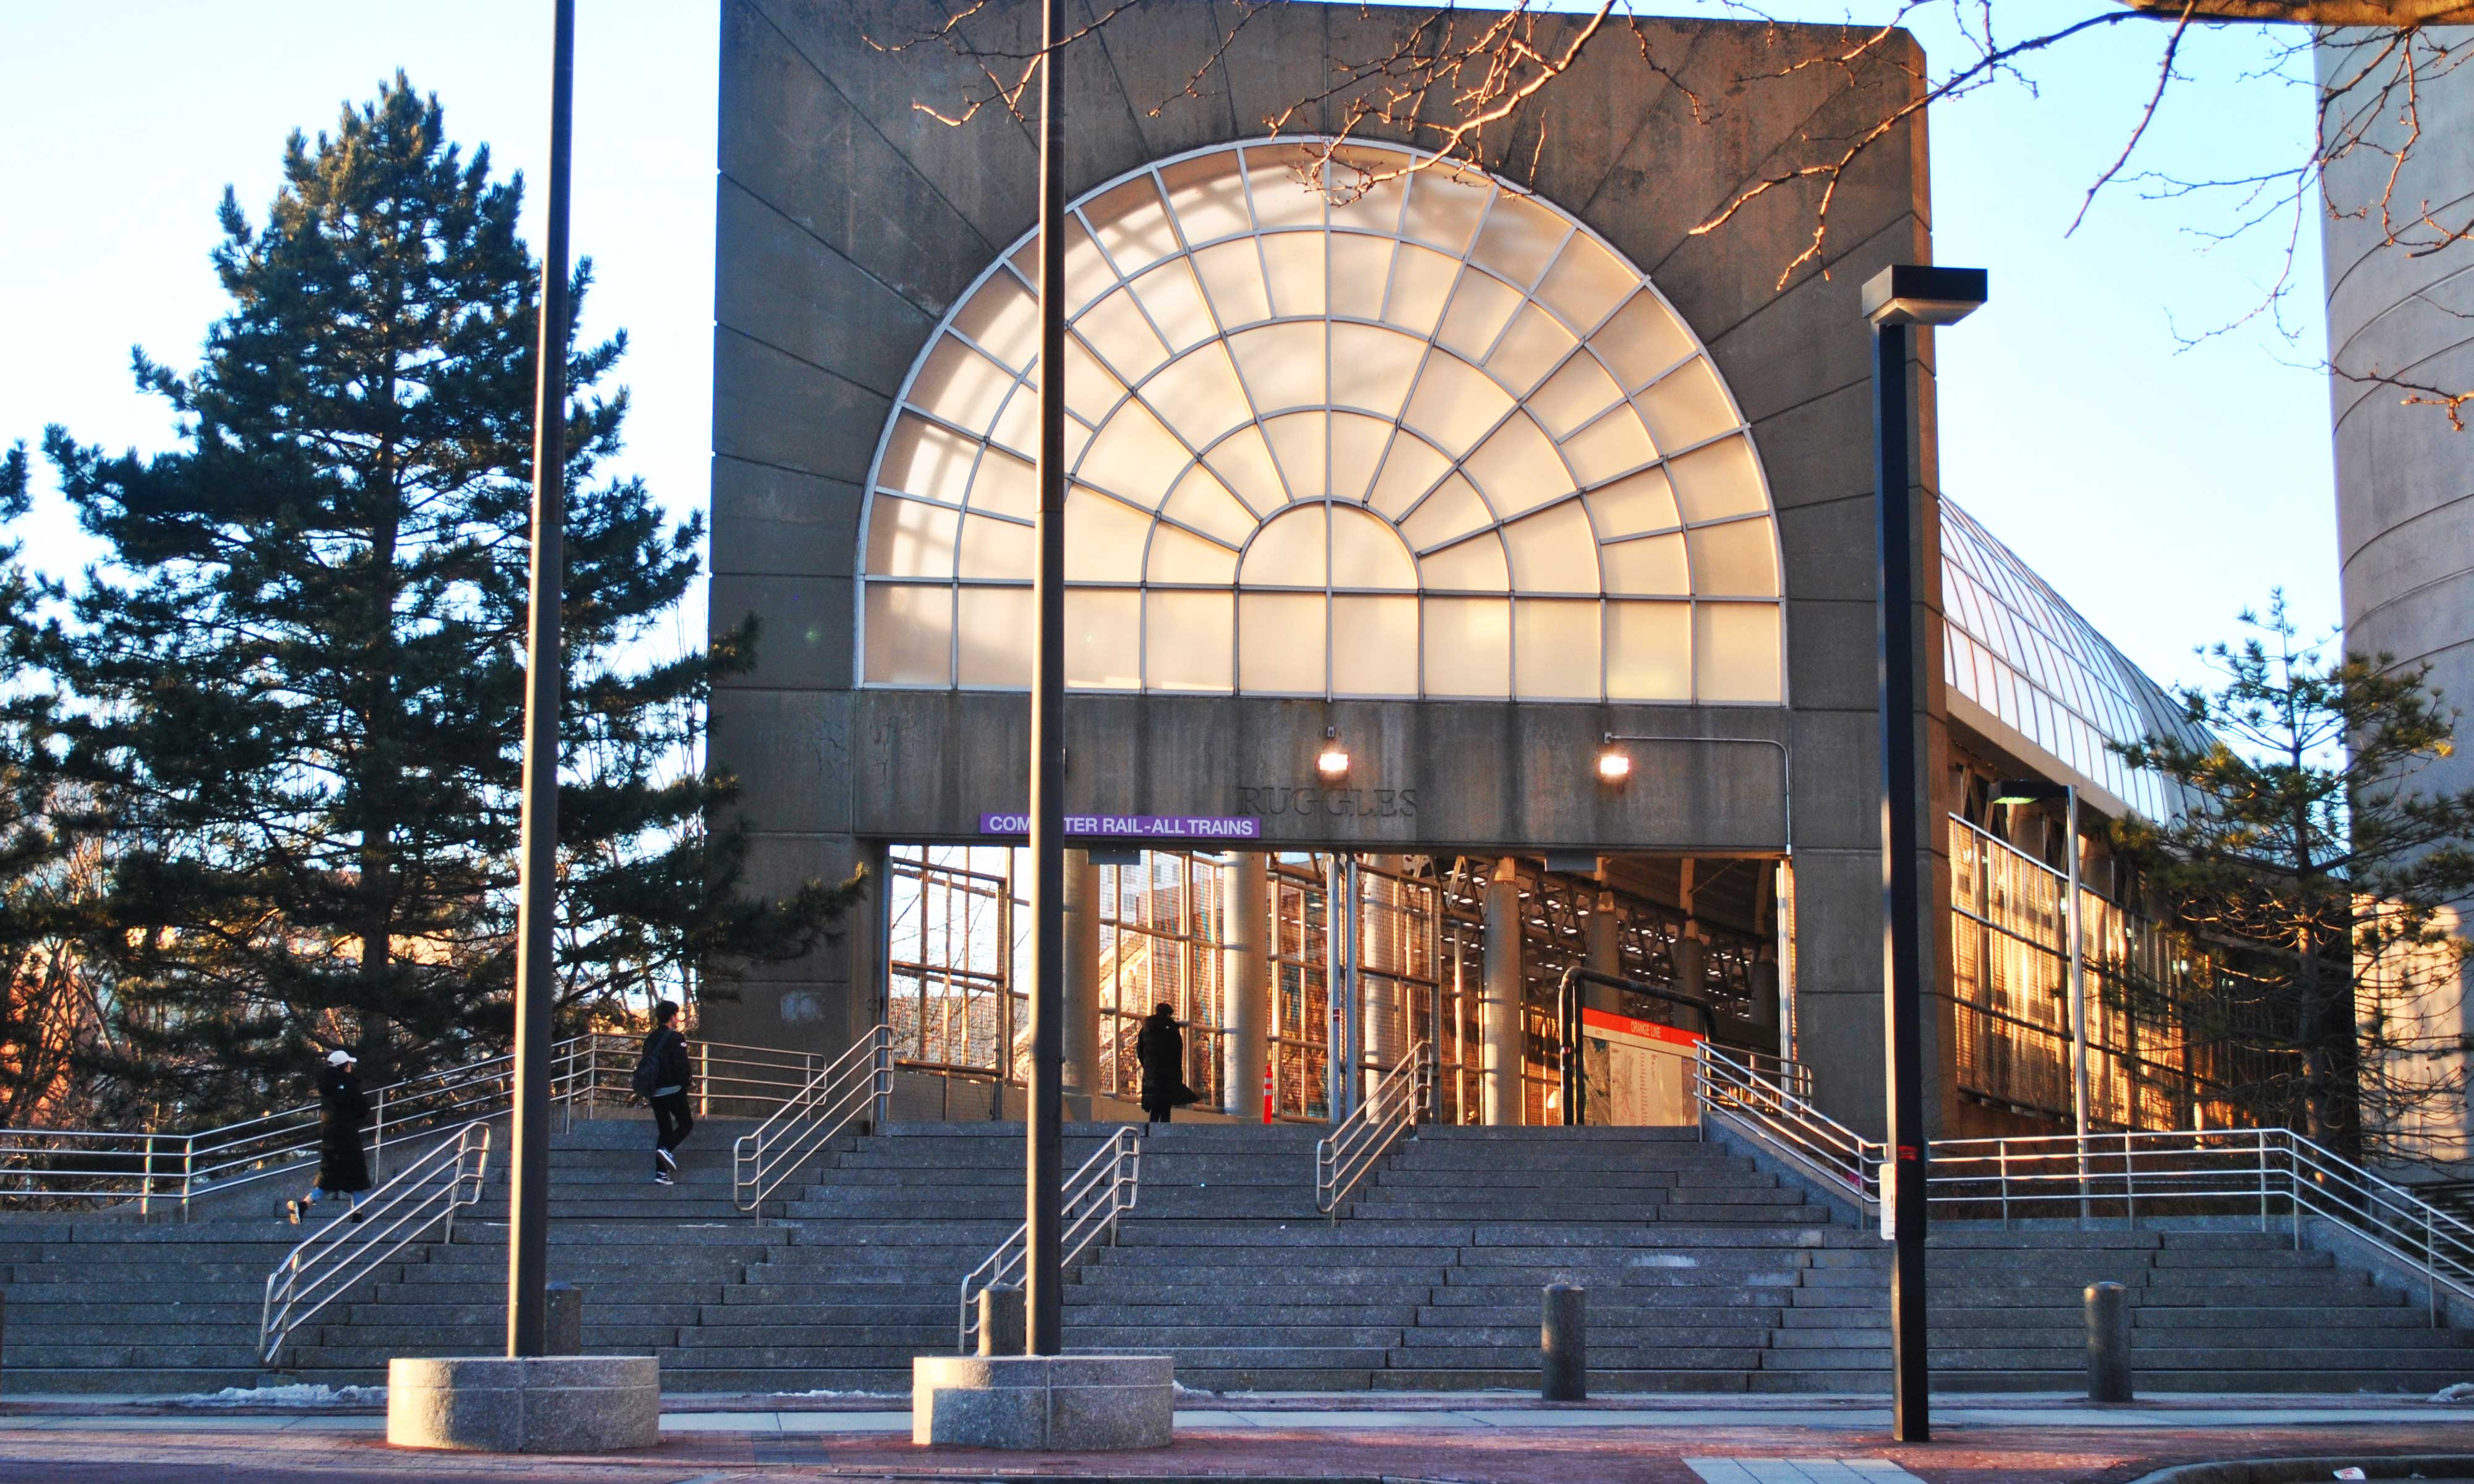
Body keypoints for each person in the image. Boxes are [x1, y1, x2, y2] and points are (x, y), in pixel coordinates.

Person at [288, 1049, 372, 1224]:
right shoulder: (348, 1085)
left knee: (331, 1177)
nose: (351, 1068)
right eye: (349, 1064)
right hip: (347, 1138)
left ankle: (303, 1205)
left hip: (329, 1139)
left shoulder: (327, 1087)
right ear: (345, 1066)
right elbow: (363, 1108)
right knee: (357, 1175)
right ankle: (357, 1214)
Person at [642, 1001, 694, 1185]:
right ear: (672, 1016)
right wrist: (686, 1082)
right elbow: (682, 1066)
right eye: (677, 1015)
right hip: (673, 1089)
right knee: (686, 1124)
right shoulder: (675, 1037)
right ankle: (666, 1149)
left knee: (664, 1130)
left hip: (654, 1092)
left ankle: (661, 1174)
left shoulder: (651, 1038)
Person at [1135, 1003, 1199, 1125]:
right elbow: (1177, 1055)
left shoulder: (1146, 1030)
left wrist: (1149, 1067)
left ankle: (1152, 1134)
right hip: (1168, 1075)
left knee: (1155, 1106)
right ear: (1169, 1014)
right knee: (1165, 1107)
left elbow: (1140, 1052)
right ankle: (1163, 1135)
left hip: (1152, 1074)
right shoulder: (1172, 1031)